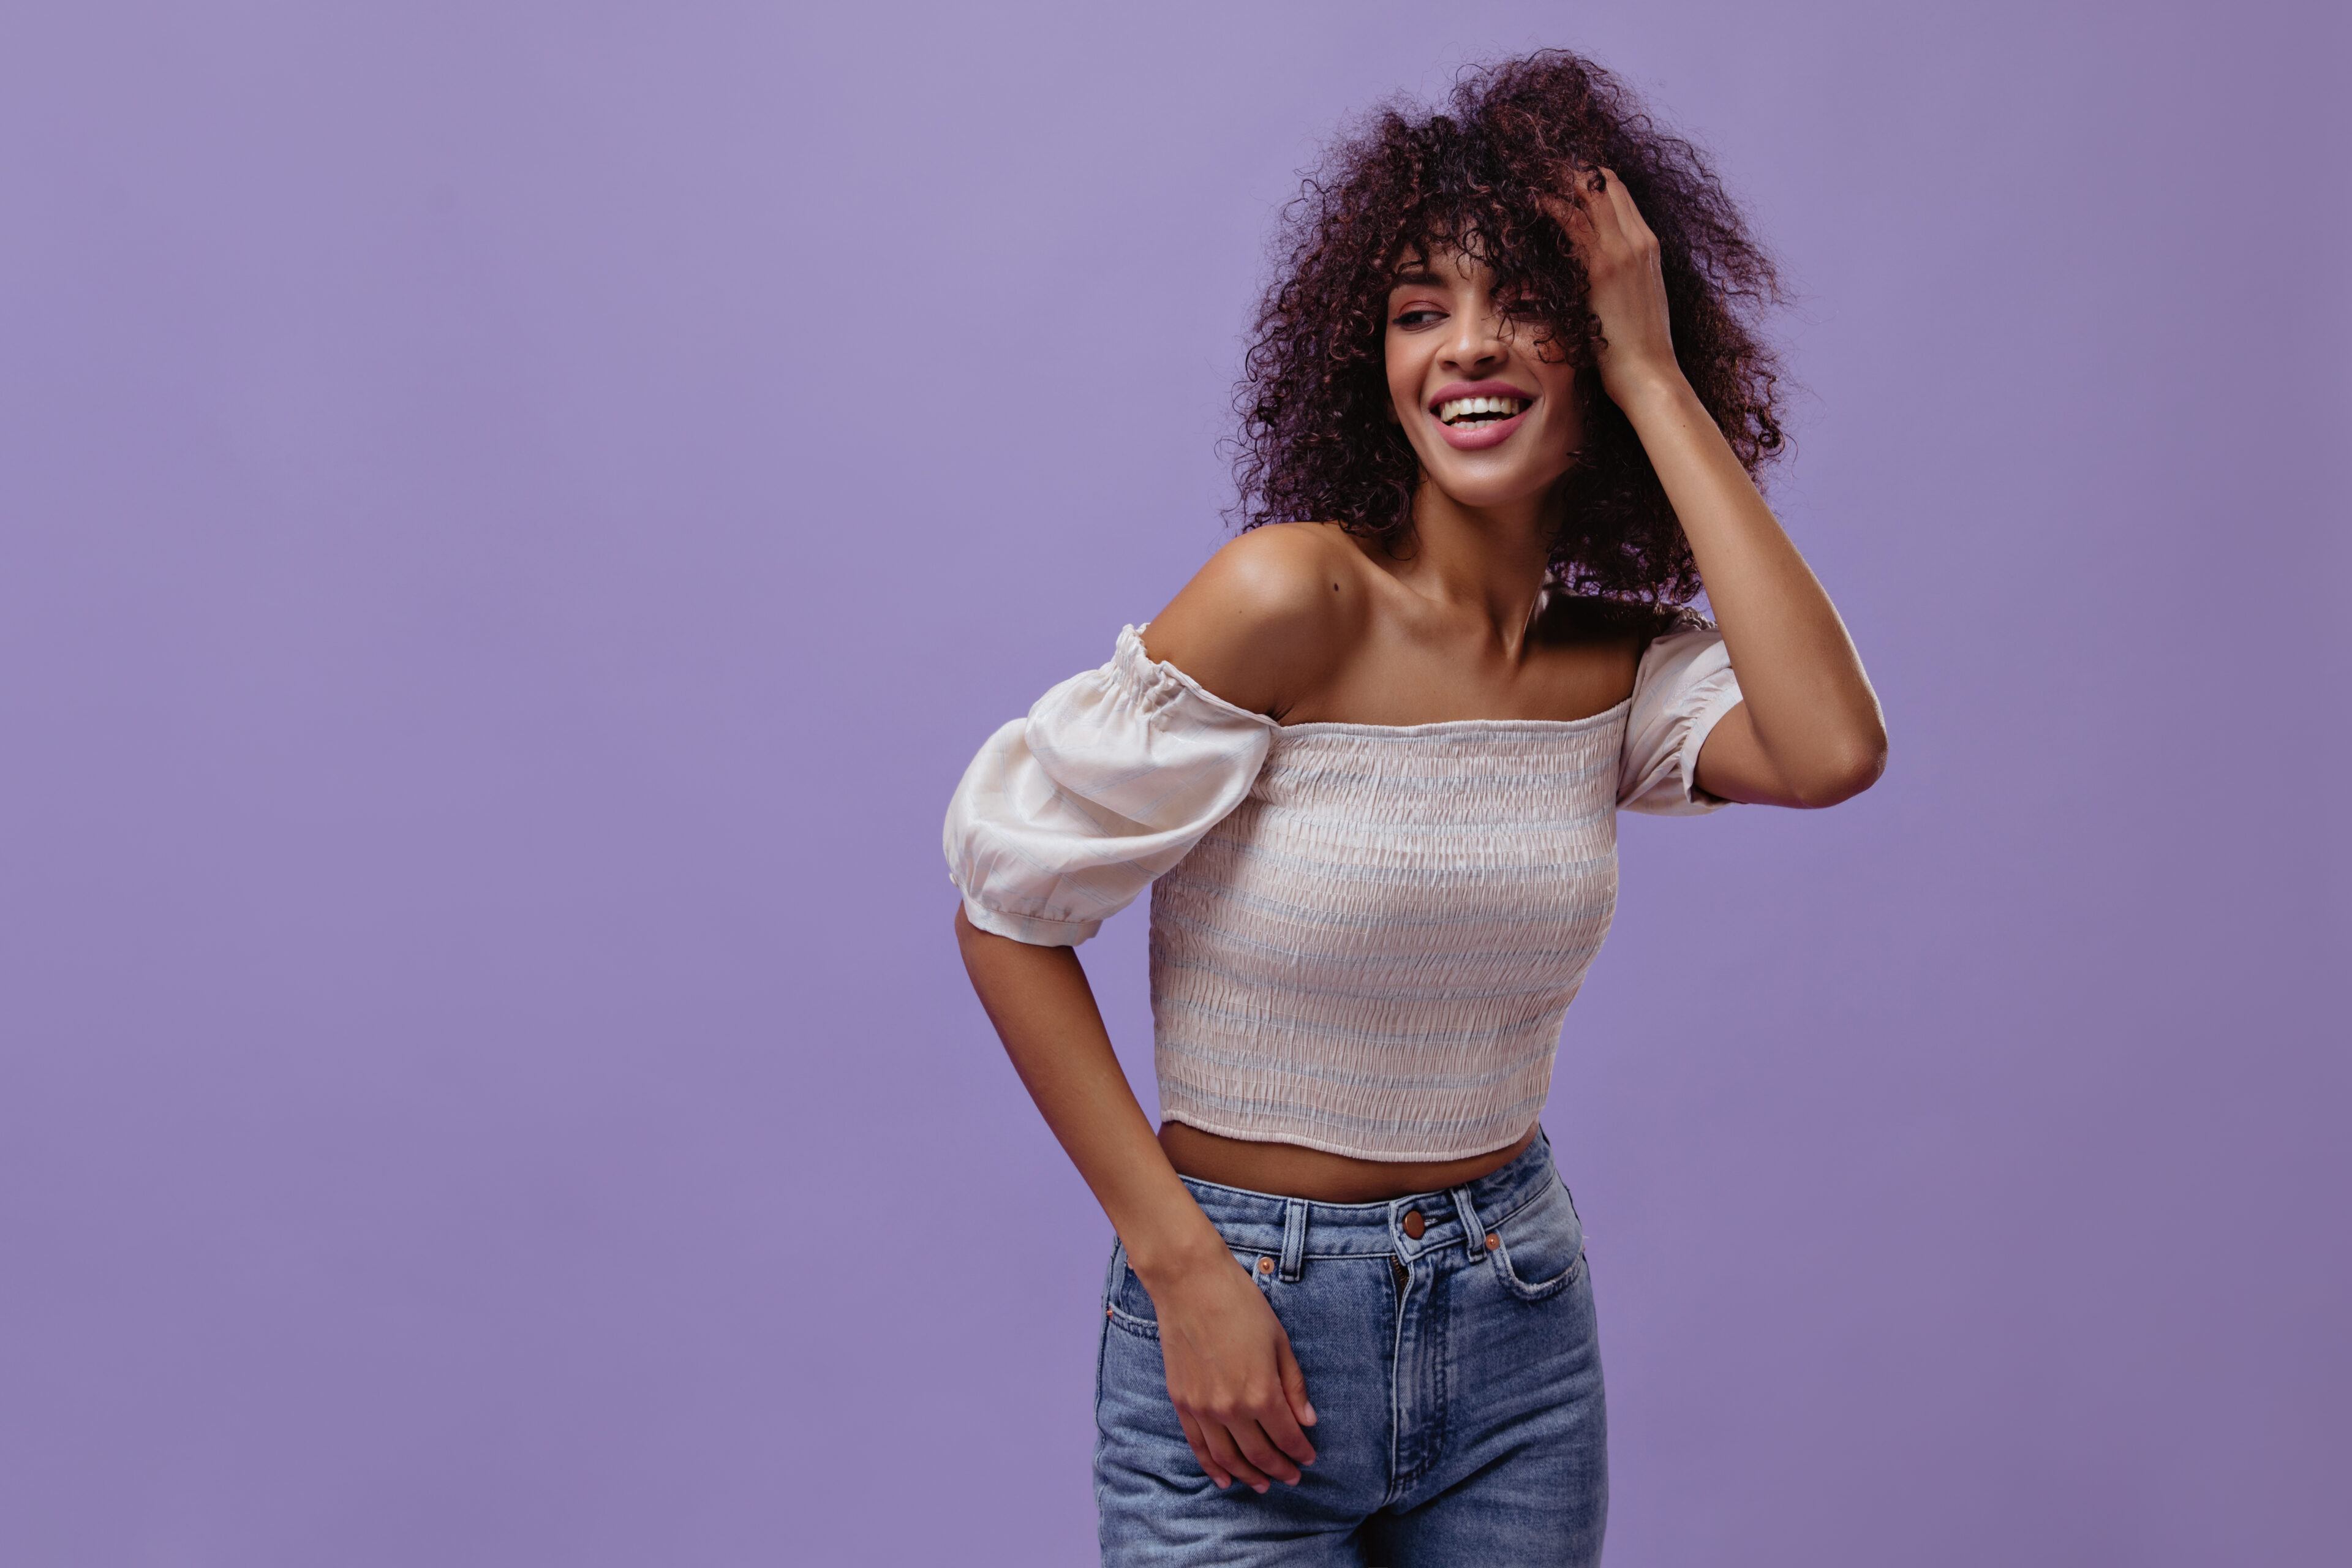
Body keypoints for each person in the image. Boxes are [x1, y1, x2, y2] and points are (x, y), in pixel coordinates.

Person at [944, 49, 1885, 1567]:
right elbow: (1008, 914)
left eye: (1527, 305)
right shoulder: (1290, 597)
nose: (1467, 348)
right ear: (1364, 359)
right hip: (1248, 1306)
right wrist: (1182, 1265)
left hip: (1515, 1317)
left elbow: (1835, 747)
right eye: (1418, 311)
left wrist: (1654, 379)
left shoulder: (1612, 672)